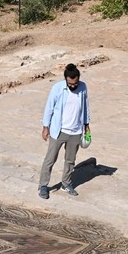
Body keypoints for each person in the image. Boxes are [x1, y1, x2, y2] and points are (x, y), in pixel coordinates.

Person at [39, 63, 90, 199]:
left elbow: (85, 107)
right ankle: (43, 186)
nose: (73, 86)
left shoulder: (83, 87)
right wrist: (46, 127)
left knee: (70, 160)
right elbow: (49, 107)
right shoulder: (57, 88)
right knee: (50, 159)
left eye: (75, 83)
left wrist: (86, 125)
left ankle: (66, 183)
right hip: (59, 131)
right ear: (66, 80)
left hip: (75, 131)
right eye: (70, 84)